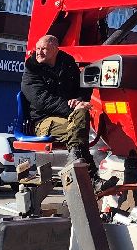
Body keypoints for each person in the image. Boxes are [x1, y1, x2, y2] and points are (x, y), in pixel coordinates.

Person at [21, 35, 97, 174]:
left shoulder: (68, 63)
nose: (39, 52)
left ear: (55, 49)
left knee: (82, 113)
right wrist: (70, 107)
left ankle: (77, 164)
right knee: (76, 131)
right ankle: (87, 173)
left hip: (70, 115)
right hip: (43, 120)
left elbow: (82, 86)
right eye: (37, 48)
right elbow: (41, 100)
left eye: (44, 49)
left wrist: (79, 100)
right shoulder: (31, 70)